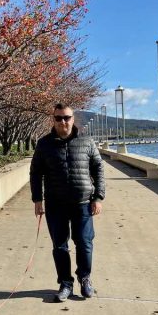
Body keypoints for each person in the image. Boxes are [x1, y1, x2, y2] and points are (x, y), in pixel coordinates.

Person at [30, 103, 105, 302]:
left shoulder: (87, 142)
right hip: (55, 205)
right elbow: (35, 173)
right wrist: (37, 199)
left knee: (84, 243)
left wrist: (98, 197)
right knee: (60, 246)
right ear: (53, 120)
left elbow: (98, 169)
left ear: (73, 119)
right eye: (58, 118)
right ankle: (65, 283)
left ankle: (85, 278)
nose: (63, 121)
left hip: (82, 203)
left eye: (67, 117)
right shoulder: (44, 144)